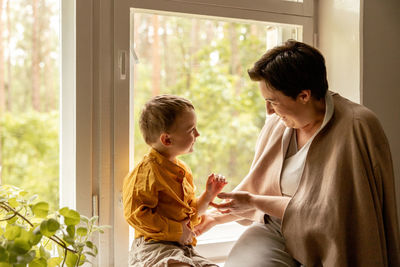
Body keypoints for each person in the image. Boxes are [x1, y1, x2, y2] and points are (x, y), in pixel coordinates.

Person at [194, 40, 400, 266]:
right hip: (276, 228)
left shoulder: (358, 126)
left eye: (272, 101)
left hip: (333, 239)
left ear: (304, 95)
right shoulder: (277, 125)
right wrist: (214, 218)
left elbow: (337, 214)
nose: (269, 111)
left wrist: (255, 201)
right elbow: (260, 191)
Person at [122, 94, 227, 267]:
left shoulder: (183, 170)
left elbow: (190, 215)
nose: (197, 134)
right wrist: (177, 232)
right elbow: (135, 215)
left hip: (183, 247)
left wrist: (208, 195)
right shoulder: (146, 172)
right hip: (153, 247)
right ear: (167, 139)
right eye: (191, 130)